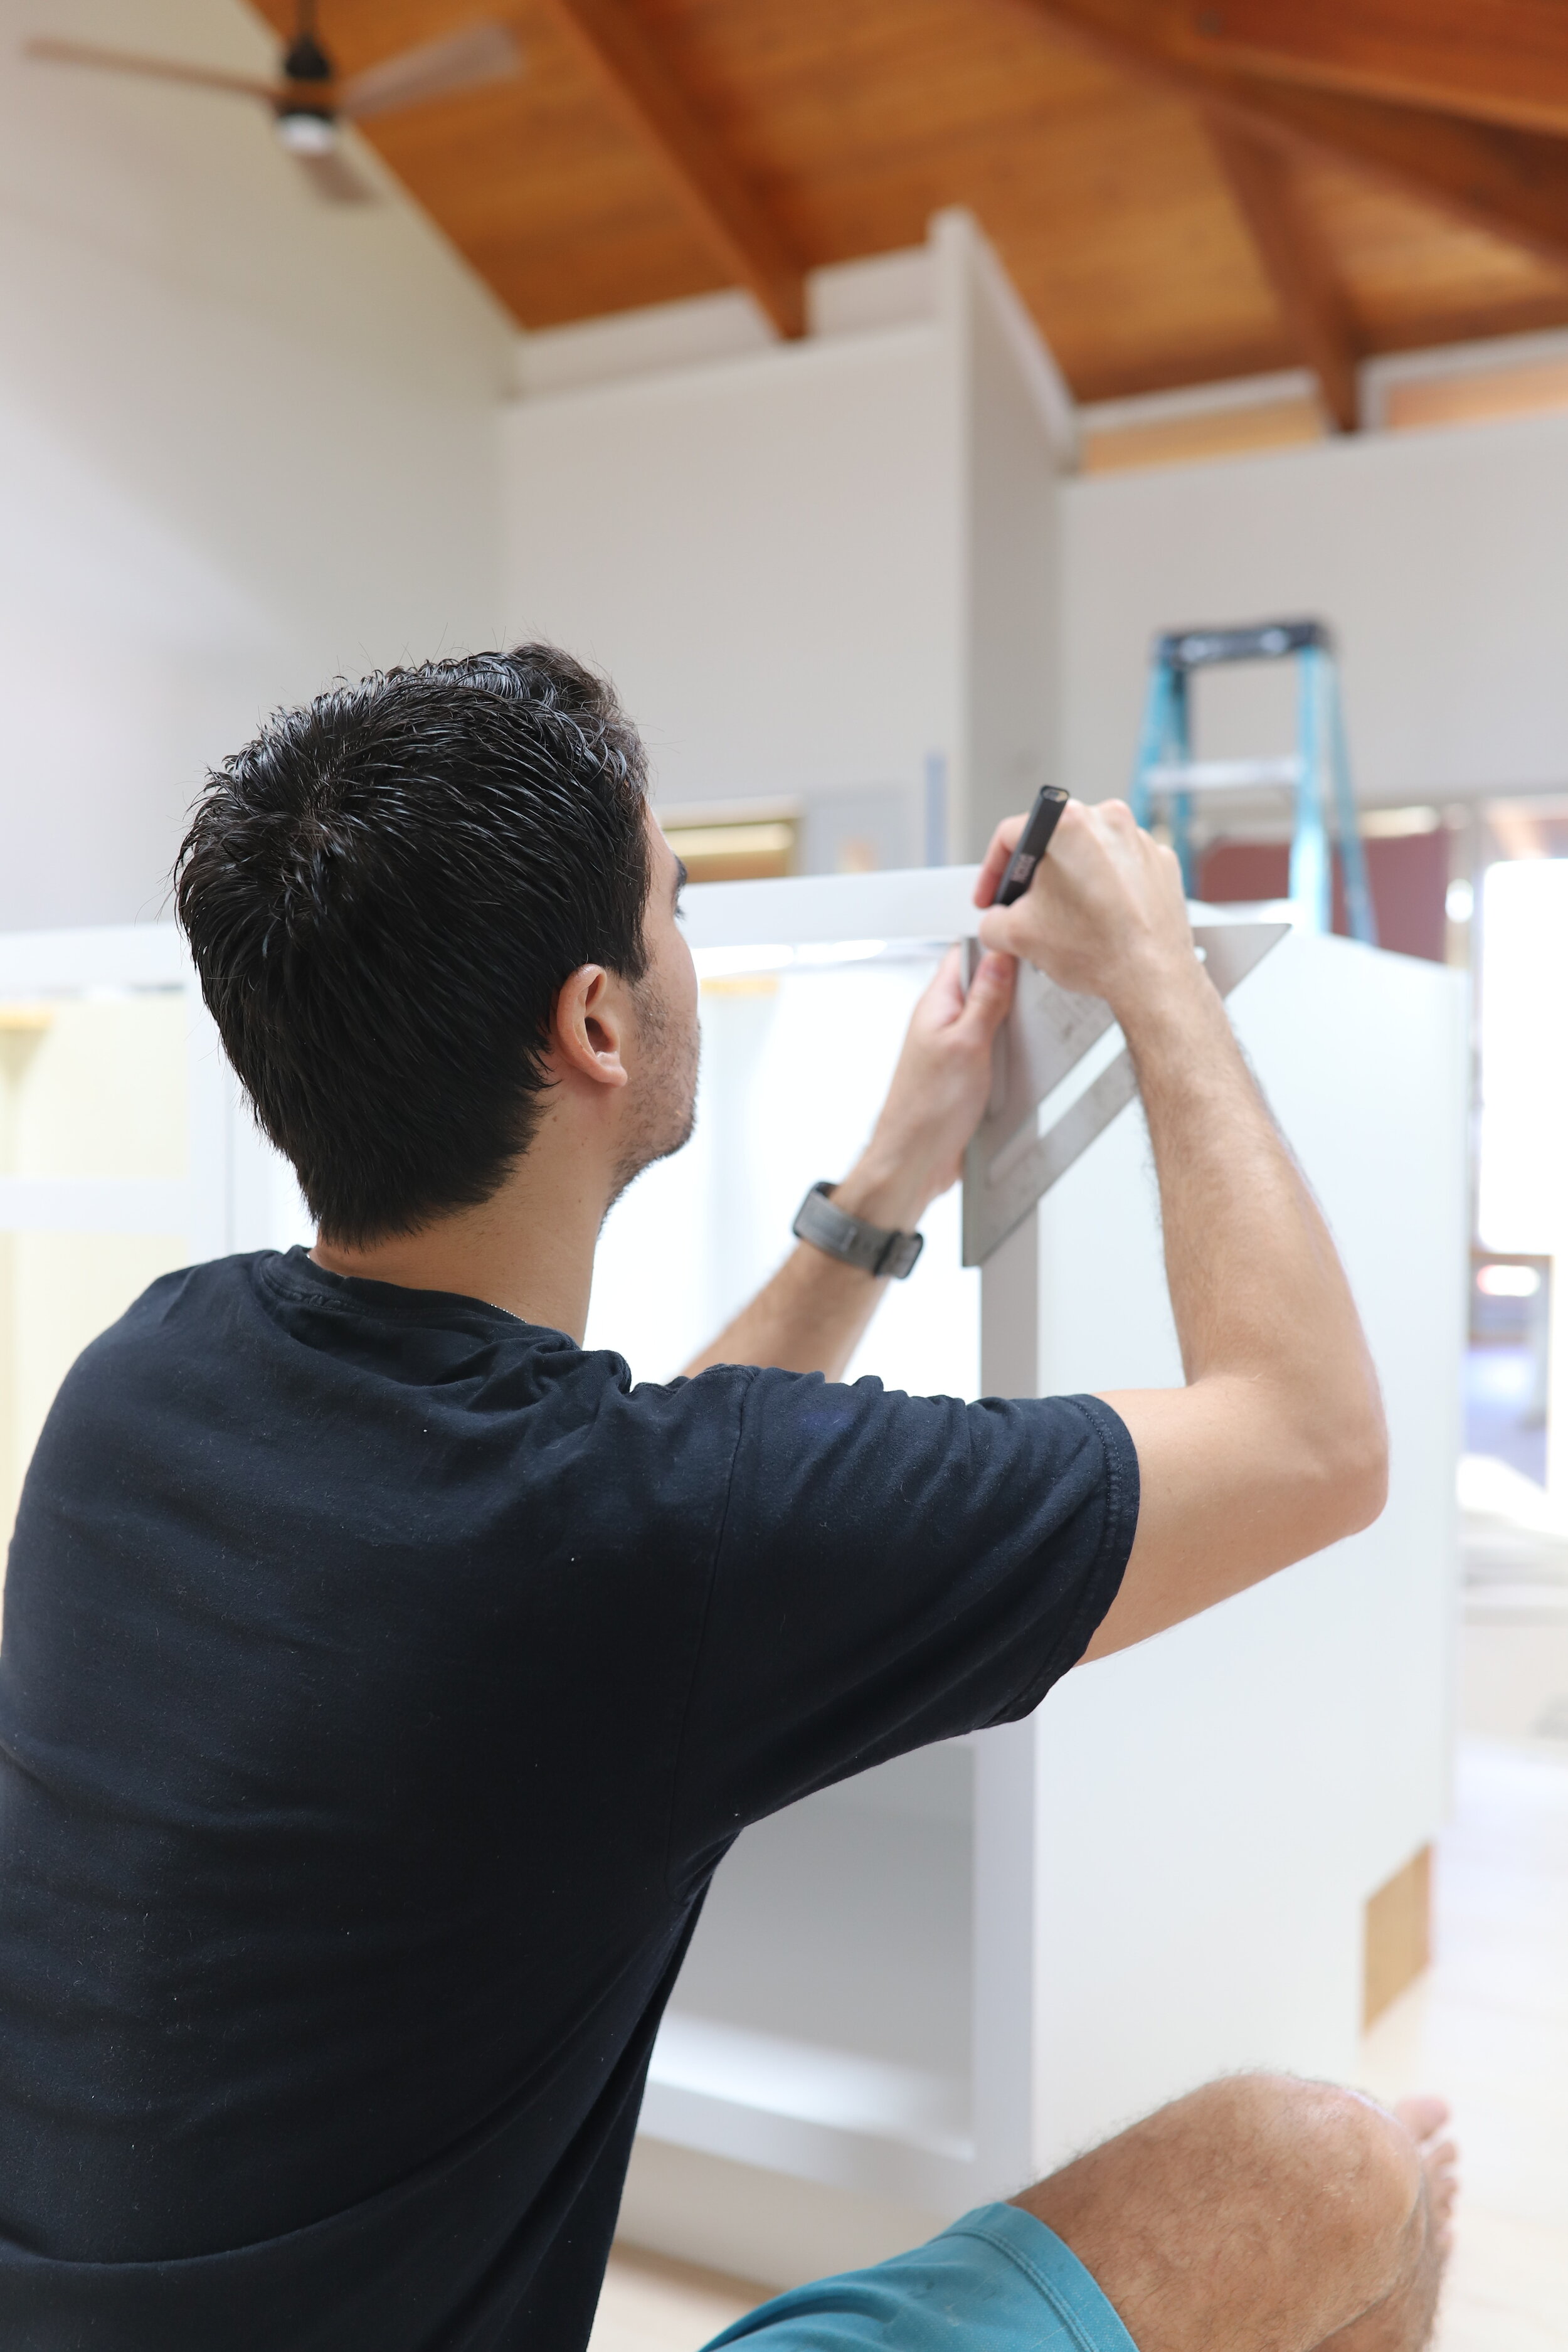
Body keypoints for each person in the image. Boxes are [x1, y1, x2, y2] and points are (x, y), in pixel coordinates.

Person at [0, 645, 1454, 2352]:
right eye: (672, 907)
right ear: (597, 1023)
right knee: (1342, 2170)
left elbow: (586, 1535)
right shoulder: (636, 1541)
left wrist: (881, 1186)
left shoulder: (143, 1380)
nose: (685, 942)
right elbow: (1308, 1442)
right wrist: (1153, 971)